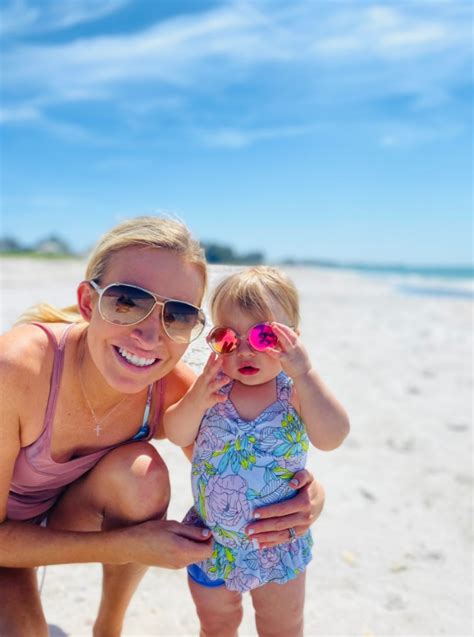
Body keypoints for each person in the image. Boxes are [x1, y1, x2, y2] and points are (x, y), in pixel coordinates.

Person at [0, 217, 326, 637]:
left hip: (64, 514)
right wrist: (126, 546)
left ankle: (108, 627)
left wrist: (309, 498)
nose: (151, 336)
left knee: (141, 475)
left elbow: (239, 465)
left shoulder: (170, 391)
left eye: (178, 315)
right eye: (126, 302)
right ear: (87, 303)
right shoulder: (18, 370)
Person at [164, 266, 350, 637]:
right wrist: (197, 398)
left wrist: (307, 373)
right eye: (229, 339)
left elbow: (333, 436)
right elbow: (175, 432)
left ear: (292, 340)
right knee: (216, 624)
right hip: (211, 540)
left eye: (265, 336)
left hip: (276, 543)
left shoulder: (294, 391)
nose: (245, 350)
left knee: (281, 626)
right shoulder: (212, 388)